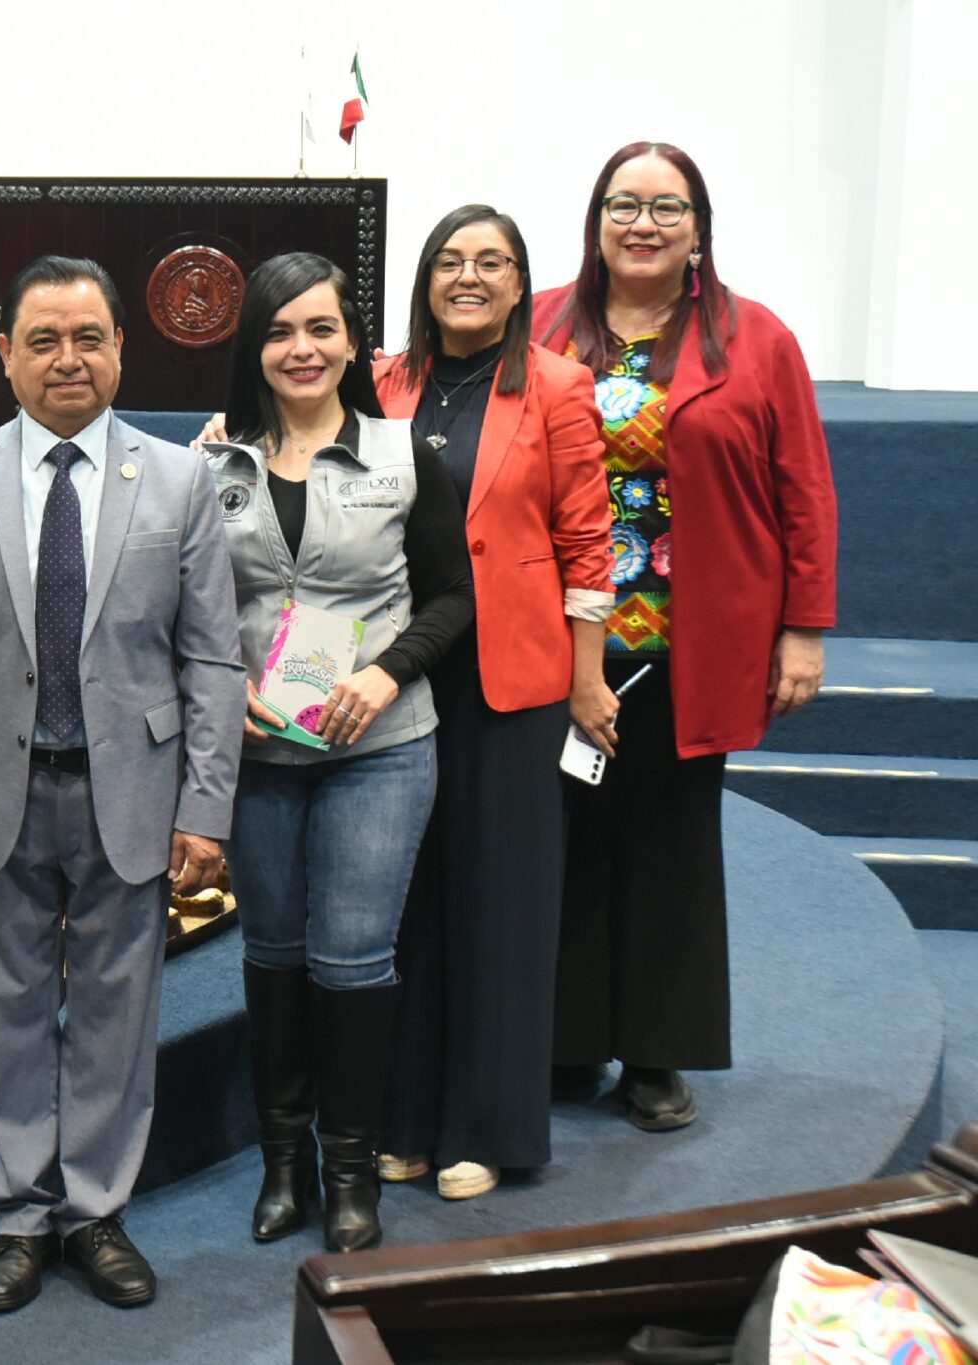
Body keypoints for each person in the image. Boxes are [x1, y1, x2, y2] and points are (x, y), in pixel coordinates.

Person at [0, 256, 244, 1312]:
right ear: (4, 355)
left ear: (120, 348)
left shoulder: (178, 480)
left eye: (88, 337)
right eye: (42, 340)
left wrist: (205, 805)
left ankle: (92, 1212)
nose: (67, 359)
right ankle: (19, 1217)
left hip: (129, 788)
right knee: (3, 1012)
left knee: (113, 1012)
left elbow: (212, 658)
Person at [536, 141, 838, 1131]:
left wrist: (803, 628)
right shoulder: (539, 323)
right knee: (564, 840)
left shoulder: (757, 339)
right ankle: (565, 1041)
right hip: (556, 633)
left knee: (668, 846)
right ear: (595, 222)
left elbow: (804, 491)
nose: (643, 223)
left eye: (667, 207)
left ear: (698, 229)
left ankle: (654, 1054)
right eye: (623, 204)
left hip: (688, 638)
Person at [200, 252, 473, 1252]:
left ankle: (350, 1172)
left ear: (353, 343)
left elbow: (454, 595)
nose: (300, 349)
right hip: (257, 756)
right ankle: (283, 1169)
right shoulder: (210, 466)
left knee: (352, 960)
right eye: (278, 332)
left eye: (320, 328)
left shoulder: (403, 456)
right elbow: (183, 608)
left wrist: (386, 673)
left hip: (378, 749)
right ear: (254, 349)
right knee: (271, 956)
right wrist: (215, 687)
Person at [371, 207, 614, 1201]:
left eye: (491, 262)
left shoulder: (556, 385)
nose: (467, 276)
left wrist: (588, 679)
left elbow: (587, 544)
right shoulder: (381, 382)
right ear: (424, 279)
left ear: (520, 285)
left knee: (499, 906)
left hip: (510, 684)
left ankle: (486, 1128)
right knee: (407, 901)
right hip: (399, 674)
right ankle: (406, 1120)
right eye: (449, 261)